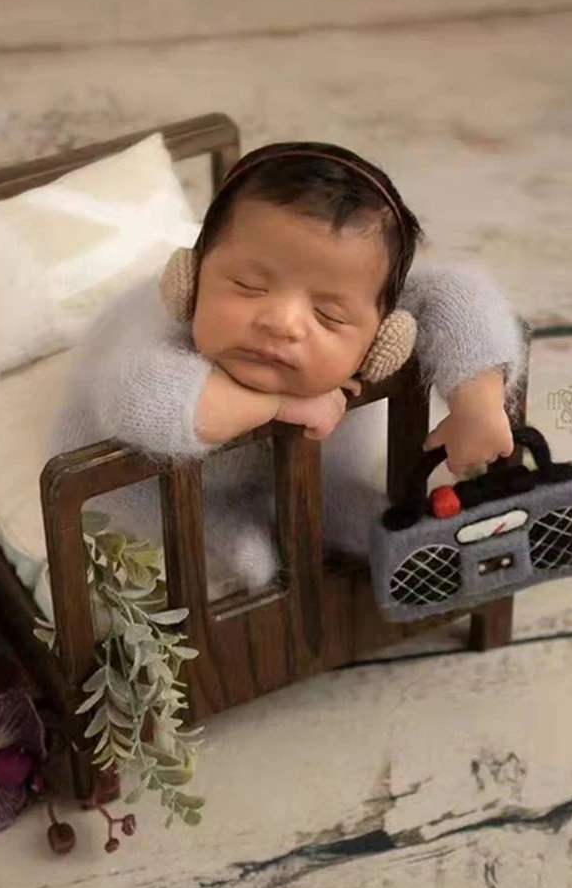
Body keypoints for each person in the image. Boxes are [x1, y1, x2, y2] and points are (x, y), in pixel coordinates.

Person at [50, 142, 528, 593]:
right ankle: (228, 526)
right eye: (248, 286)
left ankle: (312, 509)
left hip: (297, 467)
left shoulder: (381, 316)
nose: (281, 323)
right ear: (190, 282)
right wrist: (279, 403)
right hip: (144, 472)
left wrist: (478, 403)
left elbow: (460, 297)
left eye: (328, 315)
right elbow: (138, 399)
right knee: (232, 548)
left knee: (354, 511)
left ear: (385, 334)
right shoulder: (160, 334)